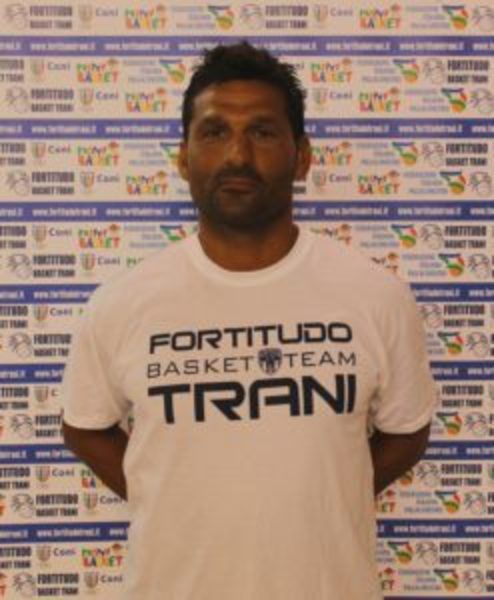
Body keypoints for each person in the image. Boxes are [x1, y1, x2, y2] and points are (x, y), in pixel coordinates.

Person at [62, 42, 436, 600]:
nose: (237, 155)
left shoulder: (373, 295)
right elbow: (84, 426)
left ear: (302, 156)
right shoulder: (123, 303)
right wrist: (166, 496)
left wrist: (329, 496)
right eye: (214, 132)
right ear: (184, 157)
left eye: (261, 132)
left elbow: (407, 432)